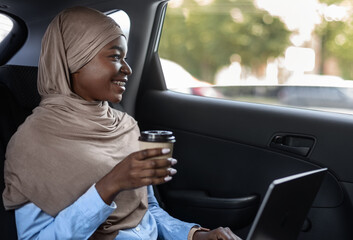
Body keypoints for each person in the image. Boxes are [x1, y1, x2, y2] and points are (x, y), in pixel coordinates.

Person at [2, 6, 241, 240]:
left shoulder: (125, 125)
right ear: (74, 60)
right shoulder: (32, 143)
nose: (127, 69)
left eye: (125, 58)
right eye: (116, 57)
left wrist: (195, 234)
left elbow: (146, 213)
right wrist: (109, 185)